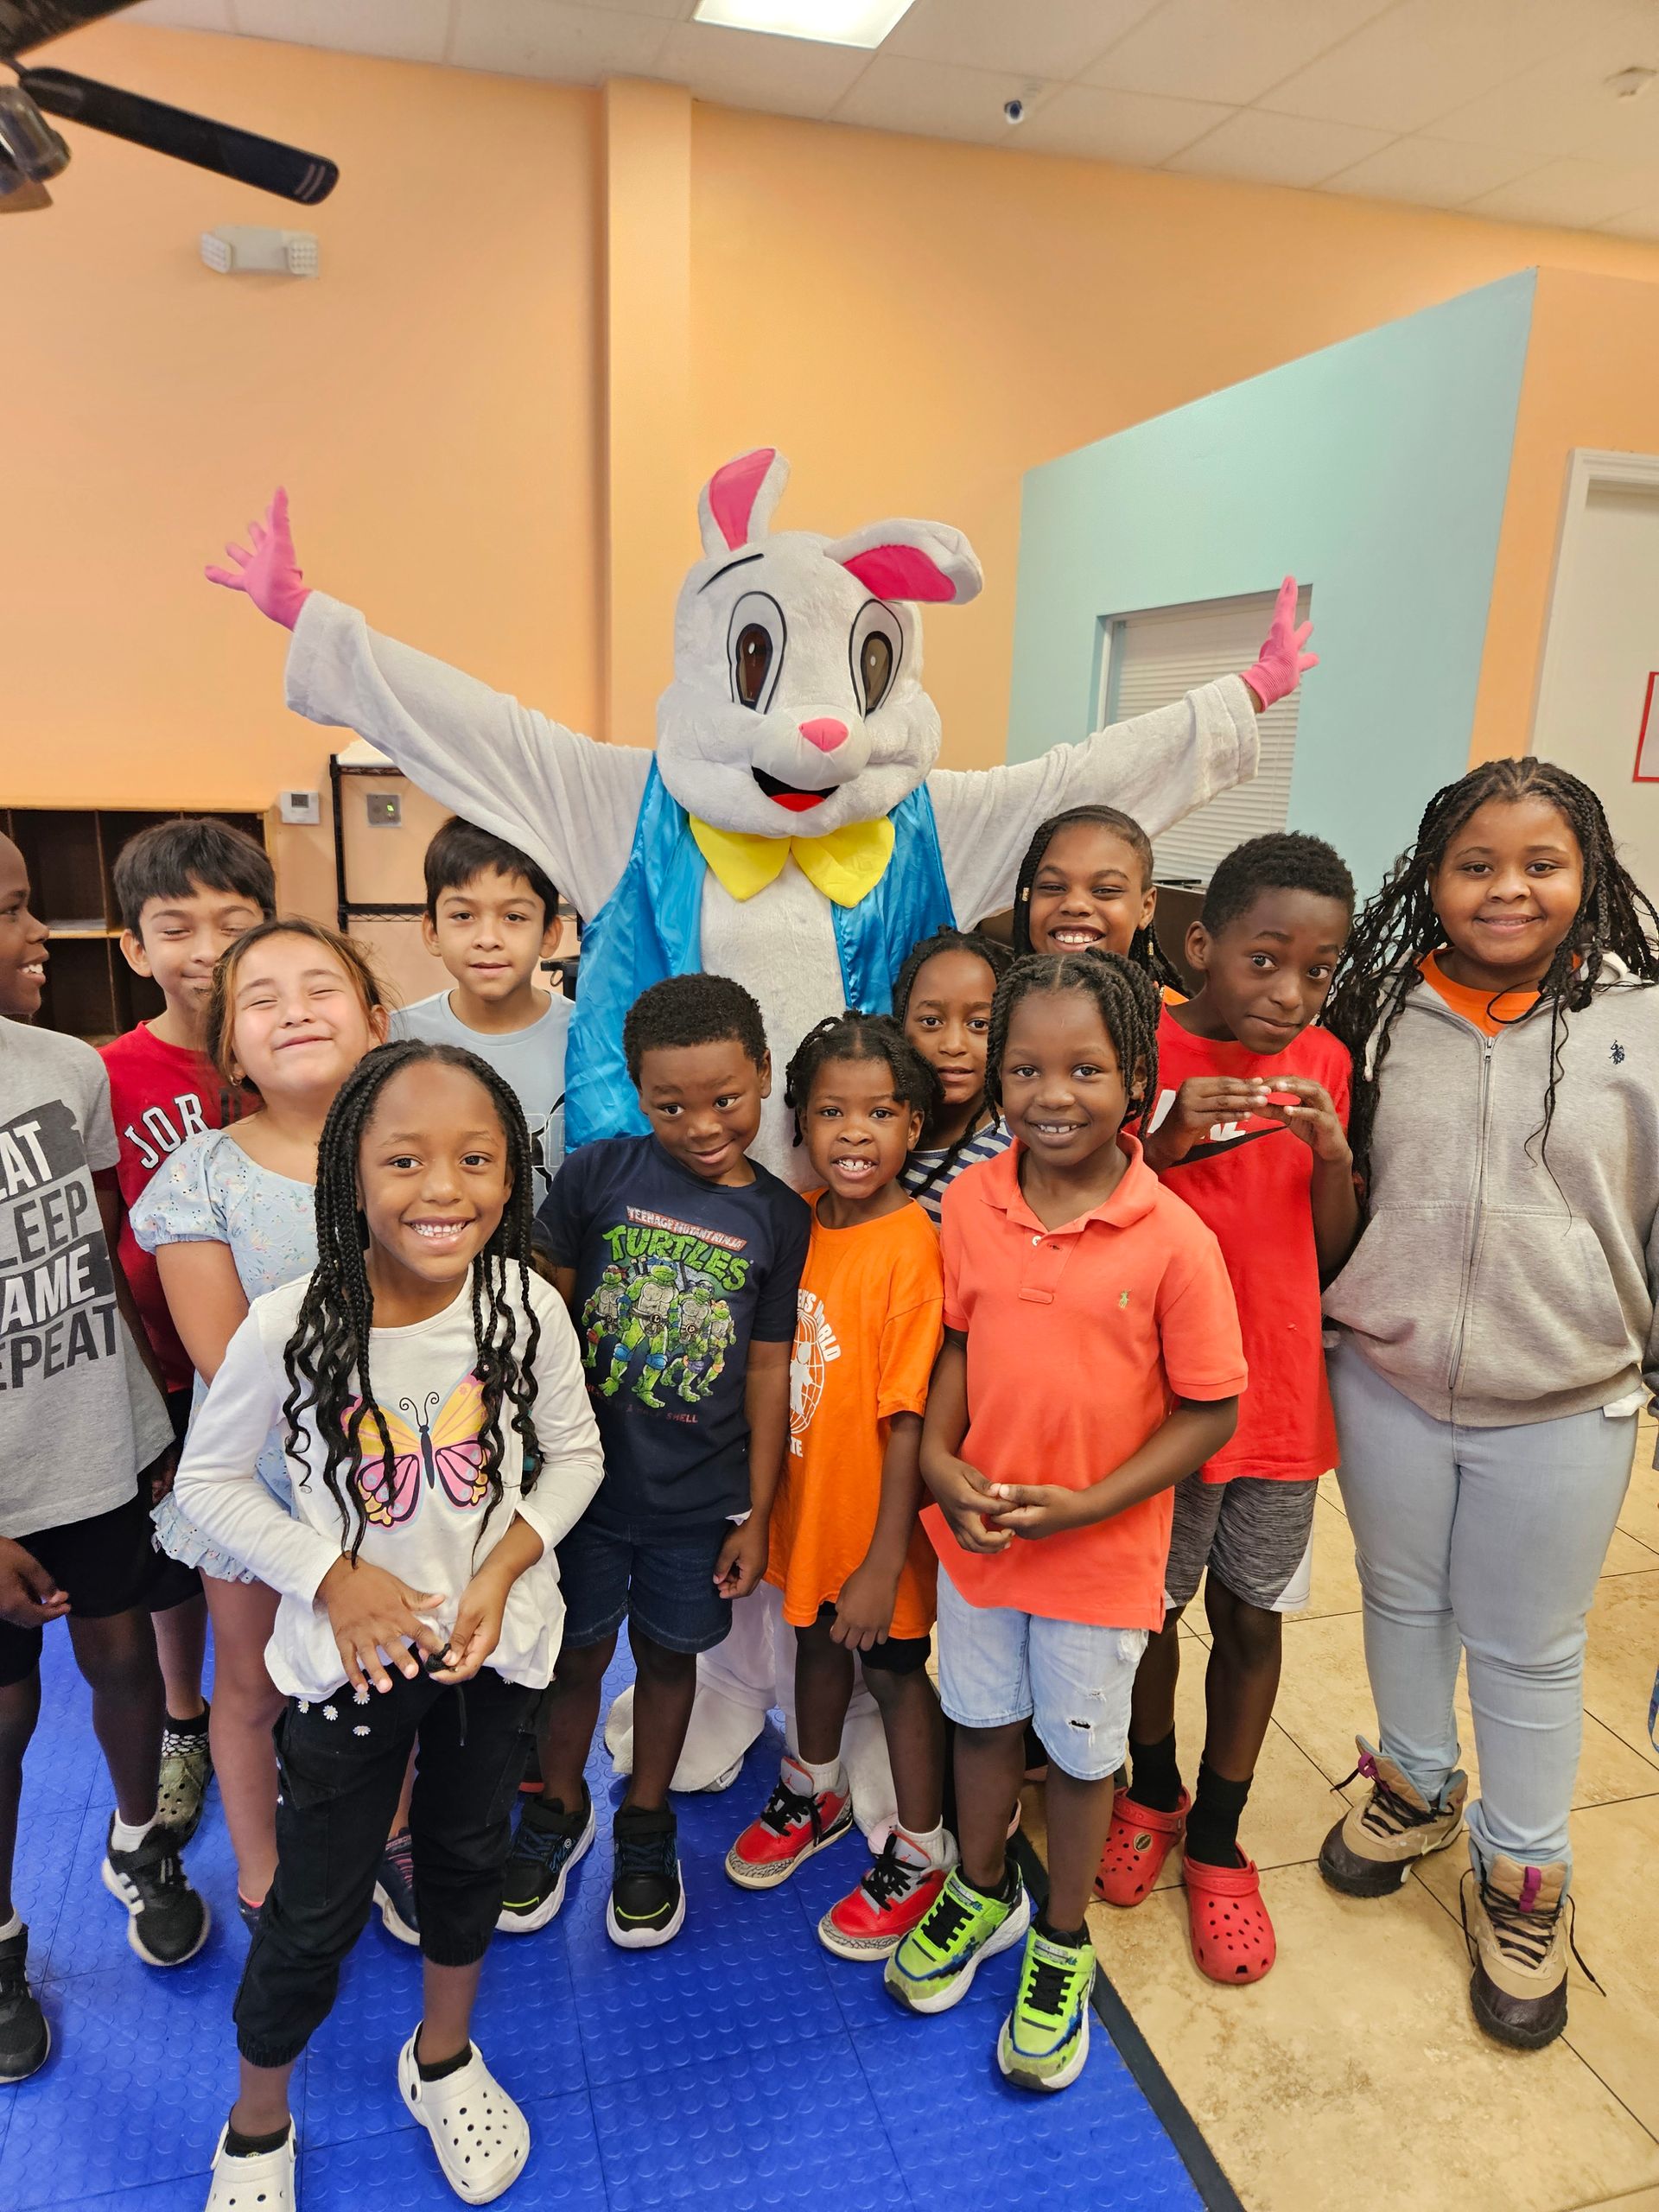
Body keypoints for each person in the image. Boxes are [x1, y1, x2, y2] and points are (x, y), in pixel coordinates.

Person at [177, 1039, 603, 2212]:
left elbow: (574, 1459)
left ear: (511, 1175)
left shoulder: (526, 1309)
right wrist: (331, 1576)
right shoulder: (290, 1323)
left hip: (493, 1649)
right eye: (404, 1159)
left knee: (469, 1861)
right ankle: (257, 2122)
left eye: (475, 1158)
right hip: (351, 1668)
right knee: (314, 1906)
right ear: (349, 1175)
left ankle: (444, 2060)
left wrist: (504, 1567)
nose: (443, 1189)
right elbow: (208, 1486)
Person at [1319, 757, 1659, 2052]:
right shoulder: (1376, 1015)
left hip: (1567, 1399)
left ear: (1587, 874)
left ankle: (1524, 1875)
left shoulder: (1645, 1022)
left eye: (1541, 863)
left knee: (1528, 1648)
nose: (1508, 888)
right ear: (1431, 877)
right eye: (1477, 864)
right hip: (1387, 1378)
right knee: (1403, 1600)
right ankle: (1412, 1784)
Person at [887, 951, 1245, 2093]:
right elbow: (954, 1344)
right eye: (1027, 1067)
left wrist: (1092, 1503)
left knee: (1085, 1756)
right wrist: (942, 1460)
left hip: (1099, 1560)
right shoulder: (978, 1209)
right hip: (982, 1550)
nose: (1053, 1093)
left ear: (1136, 1075)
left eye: (1085, 1068)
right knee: (984, 1723)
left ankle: (1063, 1939)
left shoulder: (1173, 1238)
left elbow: (1212, 1406)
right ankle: (983, 1889)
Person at [502, 974, 809, 1946]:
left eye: (726, 1098)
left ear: (764, 1074)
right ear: (638, 1093)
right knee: (575, 1655)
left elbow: (769, 1374)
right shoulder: (596, 1175)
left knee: (670, 1659)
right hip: (581, 1493)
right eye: (670, 1104)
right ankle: (558, 1809)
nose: (702, 1123)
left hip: (698, 1502)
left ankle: (646, 1822)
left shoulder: (780, 1216)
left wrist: (758, 1513)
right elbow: (537, 1319)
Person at [1096, 833, 1356, 1984]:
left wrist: (1335, 1157)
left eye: (1316, 969)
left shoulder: (1330, 1061)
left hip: (1282, 1402)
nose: (1287, 993)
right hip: (1160, 1403)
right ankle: (1151, 1790)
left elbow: (1329, 1245)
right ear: (1198, 945)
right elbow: (1098, 1207)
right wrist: (1167, 1138)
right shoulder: (1140, 1048)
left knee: (1252, 1618)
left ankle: (1219, 1836)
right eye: (1263, 960)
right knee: (1151, 1612)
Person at [131, 918, 393, 1936]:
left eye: (321, 988)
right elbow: (223, 1357)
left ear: (376, 1019)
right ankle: (262, 1865)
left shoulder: (415, 1153)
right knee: (249, 1683)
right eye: (262, 998)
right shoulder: (205, 1175)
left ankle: (394, 1833)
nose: (295, 1010)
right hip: (260, 1485)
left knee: (388, 1672)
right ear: (230, 1049)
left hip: (403, 1473)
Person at [0, 831, 210, 2087]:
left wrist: (145, 1427)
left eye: (26, 905)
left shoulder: (64, 1070)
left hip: (98, 1436)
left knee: (124, 1655)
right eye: (10, 914)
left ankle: (143, 1843)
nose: (33, 937)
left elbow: (89, 1261)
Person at [726, 1013, 950, 1959]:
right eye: (831, 1111)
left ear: (915, 1127)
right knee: (811, 1642)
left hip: (875, 1528)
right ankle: (813, 1783)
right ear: (800, 1123)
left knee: (897, 1675)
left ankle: (924, 1846)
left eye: (880, 1111)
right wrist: (764, 1510)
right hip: (807, 1512)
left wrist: (882, 1560)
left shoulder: (912, 1247)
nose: (854, 1132)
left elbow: (909, 1419)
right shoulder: (799, 1221)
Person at [102, 816, 276, 1843]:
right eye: (176, 927)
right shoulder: (111, 1073)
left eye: (231, 921)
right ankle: (184, 1718)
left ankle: (284, 1710)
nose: (205, 948)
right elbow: (102, 1239)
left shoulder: (286, 1051)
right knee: (178, 1564)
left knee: (277, 1551)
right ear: (133, 948)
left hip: (291, 1366)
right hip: (171, 1370)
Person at [390, 816, 570, 1207]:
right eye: (463, 916)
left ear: (550, 934)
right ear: (432, 932)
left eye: (514, 917)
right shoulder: (396, 1037)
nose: (488, 939)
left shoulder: (591, 1037)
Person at [893, 926, 1013, 1223]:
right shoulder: (883, 1131)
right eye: (931, 1021)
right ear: (900, 1027)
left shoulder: (1010, 1154)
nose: (953, 1045)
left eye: (979, 1024)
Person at [1011, 803, 1190, 988]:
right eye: (1053, 887)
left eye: (1105, 890)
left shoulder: (1170, 1014)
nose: (1075, 905)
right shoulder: (991, 1009)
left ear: (1146, 908)